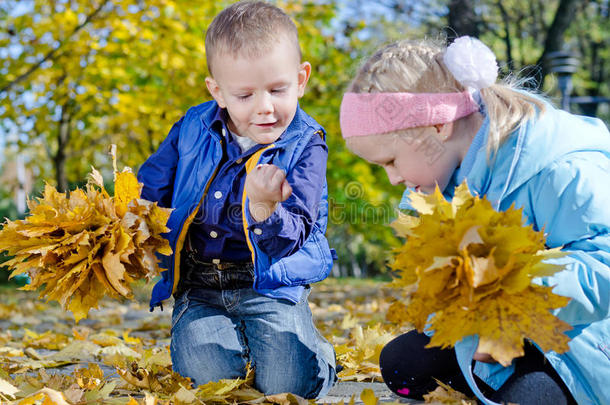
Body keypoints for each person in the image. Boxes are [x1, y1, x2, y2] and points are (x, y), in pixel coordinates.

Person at [339, 36, 609, 405]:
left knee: (528, 398)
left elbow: (603, 266)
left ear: (437, 127)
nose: (393, 178)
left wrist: (514, 303)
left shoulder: (559, 169)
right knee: (402, 363)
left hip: (580, 345)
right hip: (492, 341)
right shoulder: (443, 183)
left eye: (390, 161)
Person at [137, 1, 337, 397]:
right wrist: (134, 225)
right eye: (245, 95)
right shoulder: (193, 125)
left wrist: (265, 209)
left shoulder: (306, 144)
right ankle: (229, 344)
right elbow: (152, 185)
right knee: (210, 381)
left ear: (301, 79)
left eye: (278, 90)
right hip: (200, 284)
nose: (264, 108)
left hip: (270, 284)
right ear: (218, 92)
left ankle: (320, 357)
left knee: (288, 387)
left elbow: (294, 232)